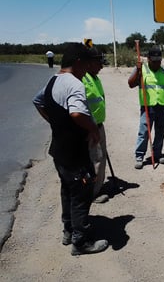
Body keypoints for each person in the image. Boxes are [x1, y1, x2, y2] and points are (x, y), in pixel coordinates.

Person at [33, 43, 108, 256]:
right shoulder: (74, 84)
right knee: (81, 194)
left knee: (67, 190)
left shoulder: (52, 80)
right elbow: (76, 113)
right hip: (75, 151)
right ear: (78, 62)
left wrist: (56, 122)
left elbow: (37, 101)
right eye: (86, 64)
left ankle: (68, 231)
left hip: (59, 150)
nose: (87, 69)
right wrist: (93, 129)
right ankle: (80, 242)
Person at [128, 45, 164, 169]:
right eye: (154, 61)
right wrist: (137, 69)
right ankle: (139, 156)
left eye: (159, 61)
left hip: (162, 107)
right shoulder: (142, 69)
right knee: (144, 132)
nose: (157, 63)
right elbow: (131, 84)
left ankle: (157, 154)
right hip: (148, 108)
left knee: (160, 132)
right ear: (148, 59)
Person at [82, 47, 109, 203]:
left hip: (98, 125)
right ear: (89, 63)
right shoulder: (83, 79)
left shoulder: (95, 78)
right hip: (90, 128)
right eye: (99, 63)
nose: (102, 66)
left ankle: (96, 187)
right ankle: (92, 194)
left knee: (99, 157)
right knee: (96, 159)